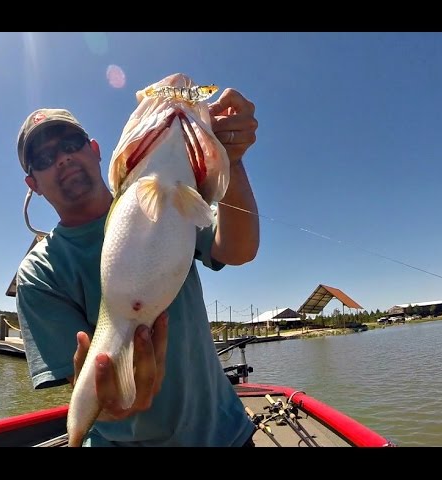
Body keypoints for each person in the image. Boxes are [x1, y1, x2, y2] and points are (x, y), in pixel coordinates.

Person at [14, 76, 260, 446]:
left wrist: (231, 159)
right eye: (45, 158)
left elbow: (239, 250)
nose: (63, 158)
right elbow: (90, 388)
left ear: (95, 150)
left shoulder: (172, 199)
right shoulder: (38, 274)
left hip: (225, 433)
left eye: (71, 144)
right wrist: (110, 400)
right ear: (32, 183)